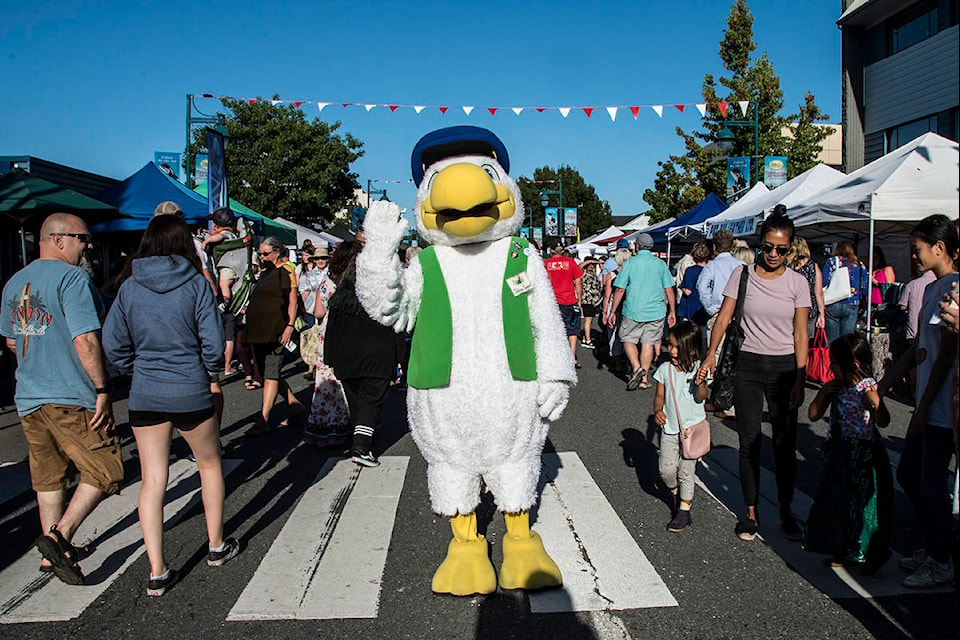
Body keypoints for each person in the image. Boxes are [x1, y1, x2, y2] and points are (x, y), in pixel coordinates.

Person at [102, 215, 239, 596]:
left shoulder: (129, 288)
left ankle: (157, 570)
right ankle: (216, 545)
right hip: (190, 388)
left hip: (145, 390)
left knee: (153, 479)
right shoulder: (195, 284)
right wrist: (207, 370)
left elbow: (113, 343)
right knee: (210, 465)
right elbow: (212, 341)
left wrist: (136, 370)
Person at [1, 213, 122, 586]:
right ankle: (59, 536)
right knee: (106, 469)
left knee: (49, 476)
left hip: (29, 395)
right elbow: (85, 339)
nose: (87, 246)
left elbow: (10, 340)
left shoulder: (13, 283)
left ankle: (51, 555)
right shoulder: (72, 278)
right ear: (58, 239)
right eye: (83, 239)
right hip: (69, 392)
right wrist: (102, 389)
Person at [698, 209, 810, 542]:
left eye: (781, 249)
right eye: (768, 248)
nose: (773, 255)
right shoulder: (742, 275)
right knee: (748, 441)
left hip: (785, 368)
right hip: (746, 364)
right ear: (759, 245)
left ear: (790, 250)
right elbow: (723, 318)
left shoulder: (798, 282)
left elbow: (801, 333)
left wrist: (801, 379)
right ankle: (750, 512)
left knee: (784, 444)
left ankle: (787, 510)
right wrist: (709, 356)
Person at [878, 214, 958, 588]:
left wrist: (923, 407)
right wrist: (885, 381)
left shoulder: (953, 288)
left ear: (939, 247)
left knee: (931, 483)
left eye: (919, 249)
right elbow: (918, 349)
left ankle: (941, 559)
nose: (915, 256)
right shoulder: (929, 288)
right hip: (927, 401)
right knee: (911, 475)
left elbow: (946, 354)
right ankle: (935, 546)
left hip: (941, 405)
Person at [803, 333, 891, 574]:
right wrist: (823, 393)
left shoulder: (867, 388)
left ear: (853, 365)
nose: (830, 366)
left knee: (863, 509)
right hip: (838, 455)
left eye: (834, 362)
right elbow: (812, 414)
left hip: (863, 456)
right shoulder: (836, 388)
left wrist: (876, 402)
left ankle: (871, 554)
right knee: (838, 504)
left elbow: (883, 421)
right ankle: (844, 549)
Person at [324, 240, 401, 467]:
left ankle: (361, 437)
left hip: (346, 356)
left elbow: (332, 329)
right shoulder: (382, 294)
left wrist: (330, 357)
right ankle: (361, 446)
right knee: (371, 402)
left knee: (357, 401)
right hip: (378, 355)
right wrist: (400, 357)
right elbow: (394, 326)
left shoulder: (340, 297)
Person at [244, 236, 307, 435]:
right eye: (259, 254)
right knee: (268, 373)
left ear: (277, 252)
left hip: (277, 330)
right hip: (261, 332)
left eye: (265, 253)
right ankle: (294, 404)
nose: (261, 257)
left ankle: (263, 420)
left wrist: (289, 325)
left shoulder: (286, 270)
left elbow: (292, 300)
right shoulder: (266, 272)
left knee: (271, 374)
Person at [652, 320, 709, 533]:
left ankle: (684, 511)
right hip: (670, 428)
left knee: (686, 472)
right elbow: (660, 395)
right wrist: (658, 410)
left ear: (692, 351)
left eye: (677, 347)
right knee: (666, 470)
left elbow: (702, 396)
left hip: (692, 430)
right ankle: (676, 494)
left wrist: (700, 382)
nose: (672, 350)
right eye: (671, 345)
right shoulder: (665, 369)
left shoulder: (698, 369)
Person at [607, 233, 676, 390]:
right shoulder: (660, 264)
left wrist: (612, 311)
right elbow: (669, 289)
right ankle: (644, 379)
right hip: (656, 311)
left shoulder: (630, 264)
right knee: (648, 343)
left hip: (633, 309)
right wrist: (672, 311)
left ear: (636, 246)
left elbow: (619, 289)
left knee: (627, 338)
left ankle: (637, 367)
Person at [303, 243, 352, 448]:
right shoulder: (351, 282)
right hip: (347, 334)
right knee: (344, 381)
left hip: (328, 334)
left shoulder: (326, 283)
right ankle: (346, 425)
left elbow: (318, 313)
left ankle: (324, 427)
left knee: (326, 382)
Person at [696, 230, 744, 362]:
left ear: (714, 247)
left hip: (719, 312)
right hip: (738, 314)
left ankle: (712, 381)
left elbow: (701, 287)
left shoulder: (712, 266)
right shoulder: (742, 265)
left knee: (715, 353)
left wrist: (710, 308)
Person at [544, 244, 583, 367]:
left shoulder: (546, 264)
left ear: (551, 251)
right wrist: (579, 300)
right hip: (569, 300)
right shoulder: (570, 262)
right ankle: (572, 356)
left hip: (553, 301)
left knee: (555, 329)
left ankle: (557, 357)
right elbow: (578, 281)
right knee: (572, 329)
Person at [822, 240, 869, 344]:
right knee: (847, 340)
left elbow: (824, 281)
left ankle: (832, 359)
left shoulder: (831, 261)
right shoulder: (860, 265)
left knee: (832, 340)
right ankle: (845, 359)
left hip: (833, 302)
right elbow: (865, 286)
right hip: (852, 303)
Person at [787, 235, 826, 337]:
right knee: (804, 341)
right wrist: (821, 313)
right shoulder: (813, 266)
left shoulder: (786, 266)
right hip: (808, 310)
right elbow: (818, 293)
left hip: (789, 309)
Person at [298, 246, 328, 379]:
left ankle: (324, 364)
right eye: (318, 258)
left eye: (323, 258)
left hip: (327, 306)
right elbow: (306, 291)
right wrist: (300, 307)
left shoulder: (331, 272)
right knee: (313, 334)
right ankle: (311, 367)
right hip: (312, 307)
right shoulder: (310, 274)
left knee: (325, 335)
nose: (320, 261)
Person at [677, 242, 711, 327]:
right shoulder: (711, 270)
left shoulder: (690, 270)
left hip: (691, 308)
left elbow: (688, 291)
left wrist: (681, 286)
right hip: (706, 307)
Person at [579, 258, 602, 348]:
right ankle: (587, 340)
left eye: (593, 265)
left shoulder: (593, 273)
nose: (591, 266)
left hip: (593, 301)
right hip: (587, 300)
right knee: (588, 321)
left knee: (590, 321)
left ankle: (586, 337)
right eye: (590, 265)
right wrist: (591, 261)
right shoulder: (583, 273)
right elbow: (579, 266)